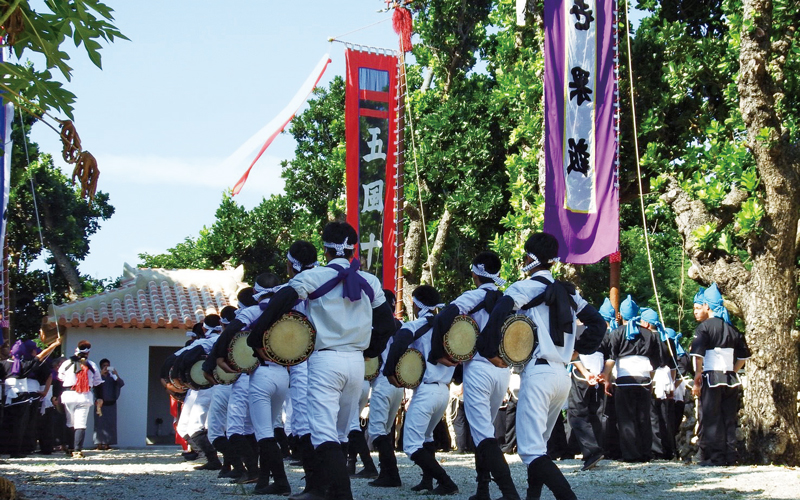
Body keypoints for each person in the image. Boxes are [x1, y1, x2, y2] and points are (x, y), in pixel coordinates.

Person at [248, 222, 395, 500]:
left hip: (325, 362)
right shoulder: (371, 281)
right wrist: (369, 351)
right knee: (340, 433)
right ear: (354, 247)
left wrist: (257, 338)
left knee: (323, 434)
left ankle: (340, 494)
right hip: (356, 363)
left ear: (325, 248)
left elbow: (281, 300)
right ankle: (325, 491)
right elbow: (387, 324)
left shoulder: (315, 276)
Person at [480, 232, 606, 500]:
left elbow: (498, 316)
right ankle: (532, 497)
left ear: (529, 258)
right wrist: (580, 348)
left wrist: (490, 352)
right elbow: (599, 323)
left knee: (530, 450)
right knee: (539, 446)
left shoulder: (521, 288)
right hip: (561, 376)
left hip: (538, 374)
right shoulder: (570, 293)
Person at [430, 250, 516, 500]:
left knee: (483, 435)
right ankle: (482, 490)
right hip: (502, 369)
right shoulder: (506, 297)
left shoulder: (472, 296)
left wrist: (439, 354)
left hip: (478, 368)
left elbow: (442, 320)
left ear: (474, 274)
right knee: (483, 432)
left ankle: (509, 493)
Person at [384, 285, 459, 496]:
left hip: (426, 391)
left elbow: (398, 343)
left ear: (416, 305)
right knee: (426, 438)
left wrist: (390, 372)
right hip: (443, 391)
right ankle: (427, 481)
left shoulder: (416, 325)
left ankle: (446, 482)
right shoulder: (447, 328)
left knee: (411, 445)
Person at [601, 298, 670, 463]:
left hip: (624, 379)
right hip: (644, 379)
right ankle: (645, 452)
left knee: (626, 418)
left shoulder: (616, 333)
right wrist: (650, 379)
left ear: (620, 315)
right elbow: (657, 362)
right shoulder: (648, 334)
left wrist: (606, 379)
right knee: (643, 417)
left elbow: (611, 359)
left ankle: (631, 454)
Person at [690, 284, 750, 466]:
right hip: (730, 378)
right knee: (728, 418)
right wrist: (732, 369)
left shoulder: (704, 328)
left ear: (707, 306)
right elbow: (744, 356)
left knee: (711, 417)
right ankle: (730, 456)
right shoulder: (732, 329)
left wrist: (697, 377)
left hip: (711, 376)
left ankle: (714, 457)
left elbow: (698, 356)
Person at [1, 338, 60, 457]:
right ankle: (16, 451)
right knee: (20, 425)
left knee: (6, 423)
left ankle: (4, 448)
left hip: (7, 397)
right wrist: (54, 344)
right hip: (22, 397)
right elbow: (40, 357)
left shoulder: (3, 364)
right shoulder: (24, 365)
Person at [58, 340, 104, 458]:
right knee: (81, 424)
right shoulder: (92, 365)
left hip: (69, 394)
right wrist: (99, 397)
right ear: (88, 353)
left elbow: (60, 377)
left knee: (70, 422)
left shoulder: (67, 363)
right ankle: (78, 450)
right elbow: (98, 383)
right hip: (84, 395)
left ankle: (70, 448)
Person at [93, 359, 124, 450]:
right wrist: (100, 374)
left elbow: (121, 384)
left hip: (111, 403)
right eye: (104, 366)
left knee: (110, 424)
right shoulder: (97, 376)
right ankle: (99, 444)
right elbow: (92, 385)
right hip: (100, 404)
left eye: (108, 365)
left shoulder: (112, 377)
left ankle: (107, 444)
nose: (106, 367)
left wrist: (116, 374)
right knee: (99, 424)